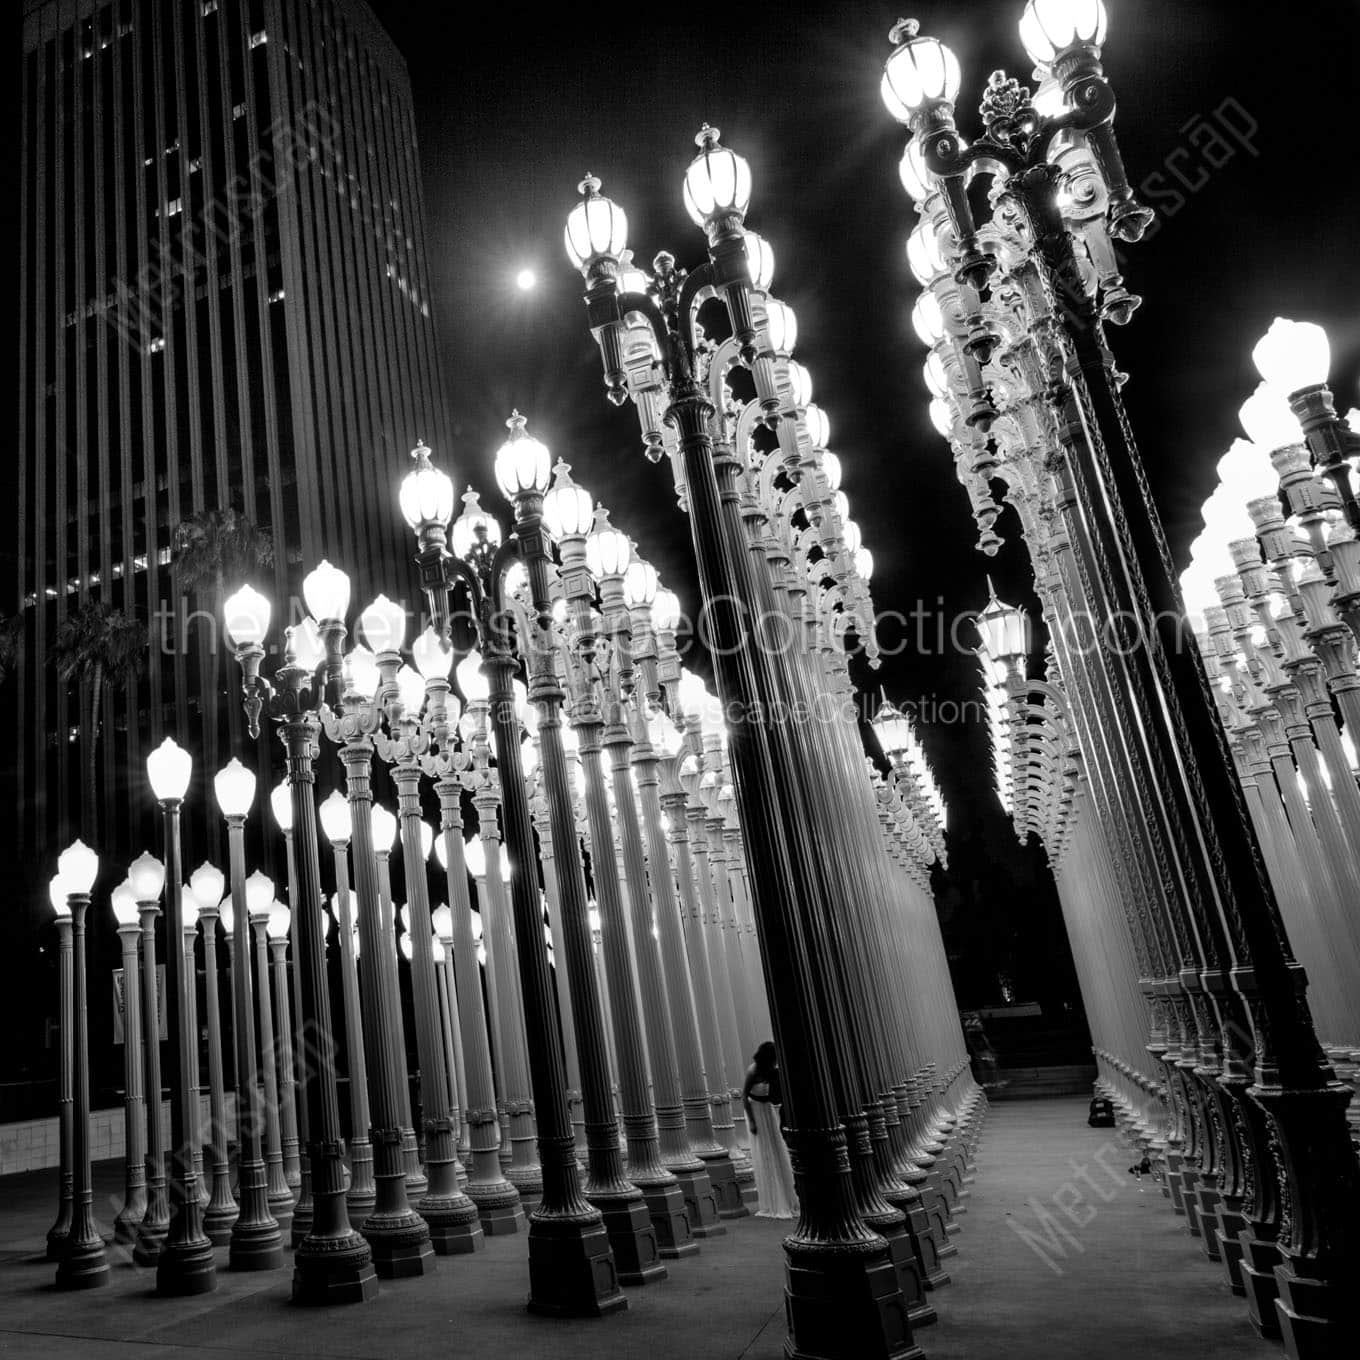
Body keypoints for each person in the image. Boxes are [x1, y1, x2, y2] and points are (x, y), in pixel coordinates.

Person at [743, 1040, 798, 1219]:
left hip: (768, 1110)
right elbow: (744, 1096)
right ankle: (772, 1200)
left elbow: (776, 1094)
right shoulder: (753, 1071)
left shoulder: (773, 1071)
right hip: (755, 1111)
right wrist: (752, 1121)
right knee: (765, 1151)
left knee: (777, 1148)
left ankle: (787, 1197)